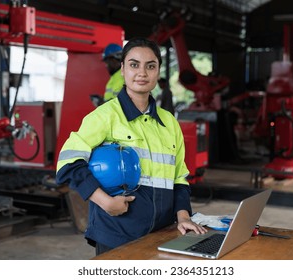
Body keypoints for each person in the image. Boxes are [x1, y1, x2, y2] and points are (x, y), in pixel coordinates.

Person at [56, 37, 206, 255]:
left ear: (158, 72)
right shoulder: (105, 116)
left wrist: (183, 216)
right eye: (134, 65)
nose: (142, 73)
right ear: (123, 70)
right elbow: (68, 163)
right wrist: (105, 202)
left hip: (161, 233)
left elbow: (179, 178)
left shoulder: (169, 123)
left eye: (150, 66)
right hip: (117, 233)